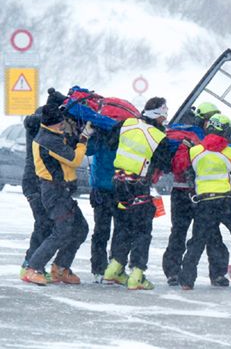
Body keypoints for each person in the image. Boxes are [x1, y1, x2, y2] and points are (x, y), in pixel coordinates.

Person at [178, 113, 231, 291]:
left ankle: (186, 280)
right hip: (225, 202)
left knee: (197, 242)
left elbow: (184, 171)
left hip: (203, 204)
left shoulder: (193, 151)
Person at [103, 97, 174, 290]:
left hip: (118, 183)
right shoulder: (158, 136)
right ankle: (137, 274)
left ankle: (114, 268)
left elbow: (110, 143)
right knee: (143, 231)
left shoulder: (126, 123)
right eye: (164, 115)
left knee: (123, 226)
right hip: (138, 186)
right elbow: (166, 164)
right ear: (159, 116)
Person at [162, 102, 231, 287]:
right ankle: (215, 274)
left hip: (191, 194)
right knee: (207, 234)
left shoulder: (191, 139)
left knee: (185, 233)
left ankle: (175, 272)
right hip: (197, 195)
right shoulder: (197, 141)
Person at [22, 103, 91, 286]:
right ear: (52, 123)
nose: (63, 124)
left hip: (62, 192)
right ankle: (33, 268)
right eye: (60, 122)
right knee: (61, 231)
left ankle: (60, 267)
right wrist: (84, 139)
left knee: (80, 228)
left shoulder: (54, 135)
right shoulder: (48, 140)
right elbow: (75, 159)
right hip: (54, 192)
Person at [19, 88, 67, 281]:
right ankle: (29, 265)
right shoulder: (40, 122)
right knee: (44, 224)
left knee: (45, 224)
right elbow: (31, 122)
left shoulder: (42, 120)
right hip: (34, 182)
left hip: (38, 182)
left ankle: (32, 264)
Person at [86, 130, 119, 283]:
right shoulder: (102, 135)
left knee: (103, 231)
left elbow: (88, 150)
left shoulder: (100, 134)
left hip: (105, 188)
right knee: (112, 231)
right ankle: (111, 268)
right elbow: (88, 149)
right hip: (114, 189)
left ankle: (102, 268)